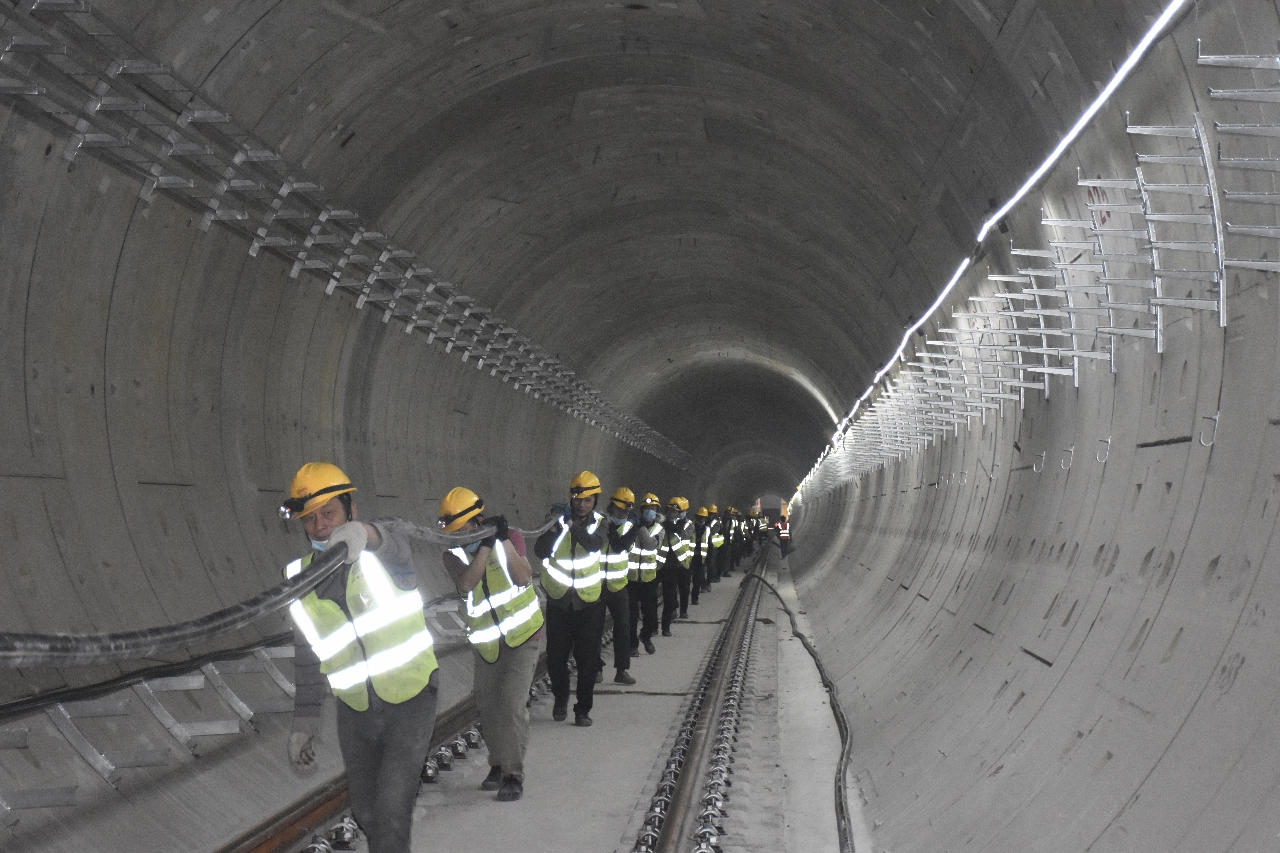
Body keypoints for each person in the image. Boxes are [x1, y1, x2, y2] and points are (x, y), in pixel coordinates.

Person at [280, 462, 438, 853]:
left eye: (329, 513)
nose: (320, 527)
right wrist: (304, 721)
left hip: (411, 695)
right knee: (367, 812)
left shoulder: (384, 553)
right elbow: (307, 654)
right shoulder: (300, 577)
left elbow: (394, 542)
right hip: (355, 709)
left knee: (391, 811)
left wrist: (364, 534)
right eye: (310, 519)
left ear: (351, 508)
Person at [439, 487, 543, 802]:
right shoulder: (452, 554)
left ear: (479, 520)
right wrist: (484, 546)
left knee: (512, 705)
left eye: (463, 530)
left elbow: (523, 575)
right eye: (453, 532)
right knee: (488, 707)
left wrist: (501, 541)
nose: (458, 537)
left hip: (523, 637)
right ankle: (497, 764)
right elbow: (467, 582)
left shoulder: (509, 536)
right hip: (486, 644)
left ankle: (513, 774)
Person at [534, 471, 607, 726]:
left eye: (587, 500)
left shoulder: (600, 523)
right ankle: (561, 698)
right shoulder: (556, 521)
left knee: (588, 660)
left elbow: (593, 544)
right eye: (578, 499)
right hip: (559, 601)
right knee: (556, 658)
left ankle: (583, 710)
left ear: (595, 500)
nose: (582, 504)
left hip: (589, 603)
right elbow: (540, 550)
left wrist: (572, 526)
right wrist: (556, 528)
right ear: (571, 498)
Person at [599, 487, 639, 684]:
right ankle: (595, 668)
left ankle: (621, 670)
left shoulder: (630, 528)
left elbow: (620, 546)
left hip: (618, 586)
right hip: (596, 586)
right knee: (594, 629)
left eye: (626, 511)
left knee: (623, 626)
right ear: (611, 506)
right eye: (619, 509)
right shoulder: (598, 523)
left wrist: (613, 528)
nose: (622, 513)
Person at [627, 494, 662, 655]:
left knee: (651, 615)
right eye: (647, 509)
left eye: (652, 509)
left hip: (649, 579)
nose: (649, 512)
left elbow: (649, 545)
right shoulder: (631, 526)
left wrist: (639, 528)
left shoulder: (659, 529)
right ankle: (632, 645)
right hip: (631, 578)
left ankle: (645, 636)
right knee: (631, 616)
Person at [658, 496, 693, 632]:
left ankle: (682, 611)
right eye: (670, 510)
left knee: (683, 588)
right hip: (664, 563)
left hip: (682, 561)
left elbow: (679, 532)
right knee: (669, 594)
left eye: (675, 510)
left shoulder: (687, 524)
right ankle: (670, 613)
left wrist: (665, 522)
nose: (672, 512)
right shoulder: (665, 523)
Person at [690, 507, 713, 603]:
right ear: (696, 517)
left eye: (703, 518)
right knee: (687, 580)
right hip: (689, 557)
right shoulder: (691, 527)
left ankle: (695, 598)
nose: (701, 520)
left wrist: (709, 557)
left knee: (697, 579)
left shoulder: (707, 530)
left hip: (700, 558)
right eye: (700, 517)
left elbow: (709, 544)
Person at [708, 503, 726, 584]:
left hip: (716, 545)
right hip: (714, 544)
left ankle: (715, 577)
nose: (710, 515)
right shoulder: (712, 521)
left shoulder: (716, 522)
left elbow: (713, 532)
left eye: (712, 513)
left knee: (714, 562)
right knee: (713, 562)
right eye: (710, 513)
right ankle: (714, 576)